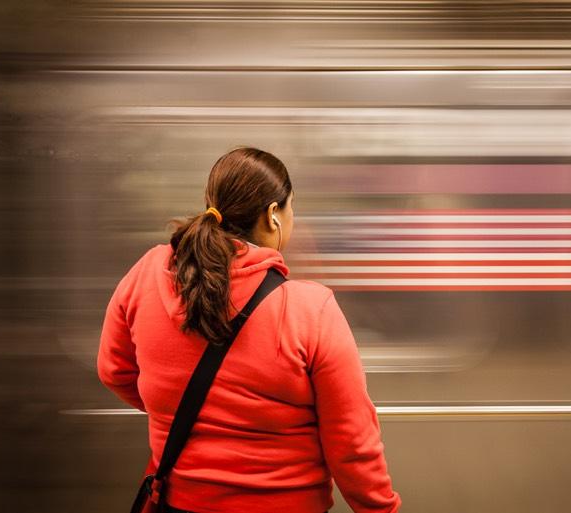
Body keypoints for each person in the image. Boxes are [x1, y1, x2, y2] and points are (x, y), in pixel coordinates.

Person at [97, 147, 402, 513]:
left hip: (181, 503)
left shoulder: (149, 273)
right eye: (292, 209)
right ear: (273, 215)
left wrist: (182, 412)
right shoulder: (311, 309)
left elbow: (114, 371)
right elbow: (351, 443)